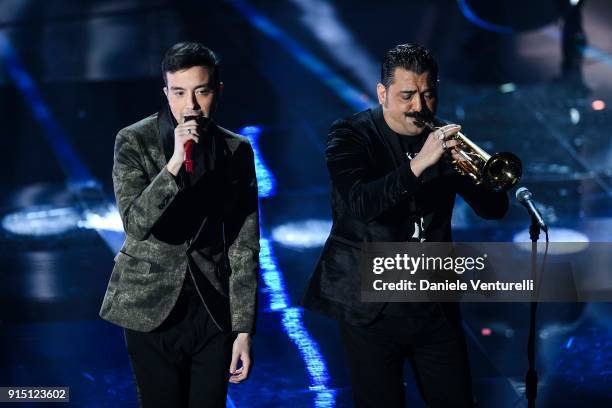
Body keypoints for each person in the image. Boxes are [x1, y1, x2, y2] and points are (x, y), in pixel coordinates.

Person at [301, 43, 509, 407]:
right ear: (382, 93)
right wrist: (421, 163)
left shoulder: (444, 138)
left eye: (429, 95)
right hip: (372, 308)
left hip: (434, 305)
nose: (420, 107)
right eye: (407, 96)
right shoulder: (350, 135)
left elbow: (492, 210)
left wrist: (481, 175)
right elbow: (361, 204)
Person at [99, 42, 260, 407]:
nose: (190, 105)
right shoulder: (133, 140)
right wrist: (173, 165)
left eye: (201, 91)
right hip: (148, 306)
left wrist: (244, 329)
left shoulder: (235, 151)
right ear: (166, 92)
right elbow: (136, 224)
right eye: (179, 92)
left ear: (217, 91)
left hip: (211, 308)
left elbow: (244, 244)